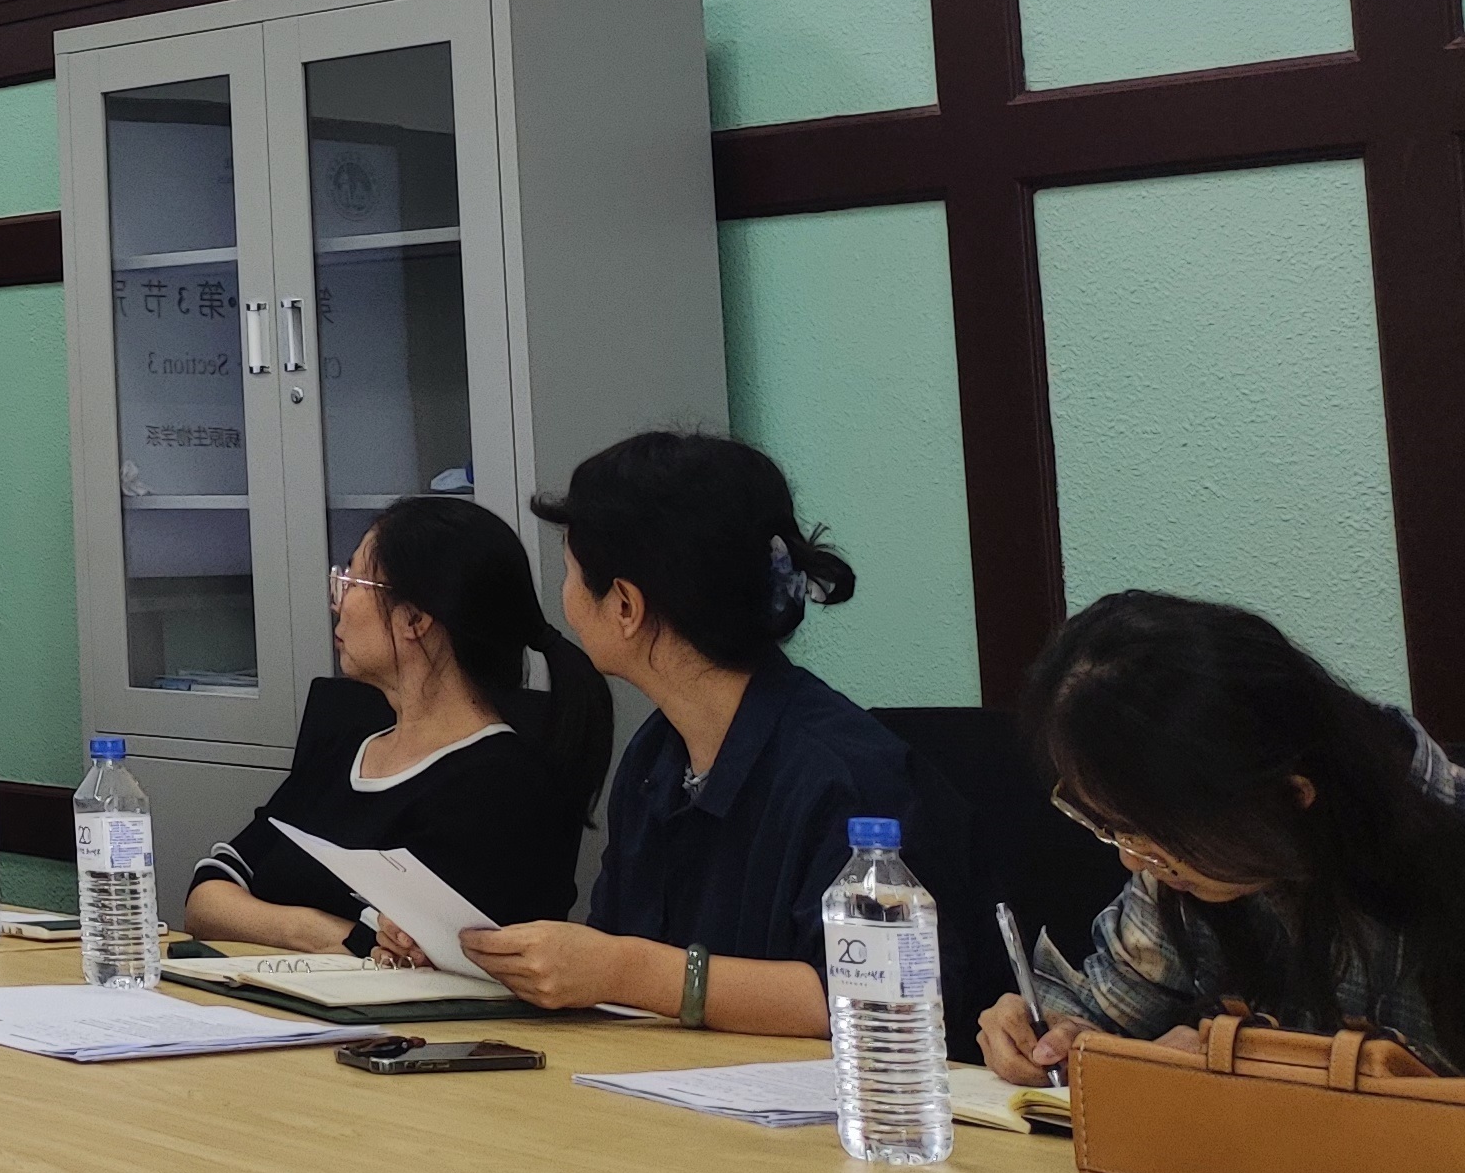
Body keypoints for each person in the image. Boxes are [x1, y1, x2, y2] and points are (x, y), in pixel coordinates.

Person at [457, 430, 917, 1035]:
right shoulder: (654, 756)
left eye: (569, 573)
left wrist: (624, 971)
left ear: (626, 605)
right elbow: (607, 962)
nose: (563, 599)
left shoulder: (843, 773)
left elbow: (865, 995)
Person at [979, 590, 1465, 1084]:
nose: (1133, 861)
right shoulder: (1188, 870)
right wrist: (1051, 1035)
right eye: (1117, 828)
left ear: (1290, 797)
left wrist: (1254, 1068)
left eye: (1158, 836)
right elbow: (1108, 1011)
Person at [178, 494, 607, 953]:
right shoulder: (347, 749)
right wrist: (316, 931)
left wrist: (285, 924)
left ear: (415, 618)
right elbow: (207, 896)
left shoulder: (501, 788)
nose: (338, 603)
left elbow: (403, 952)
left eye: (353, 582)